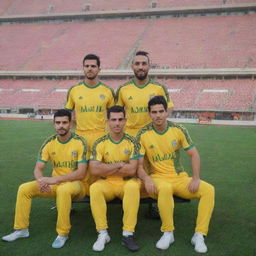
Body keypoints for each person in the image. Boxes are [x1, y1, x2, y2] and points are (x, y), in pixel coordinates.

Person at [137, 96, 215, 253]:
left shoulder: (178, 129)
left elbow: (194, 154)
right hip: (158, 178)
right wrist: (147, 179)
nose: (158, 115)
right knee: (165, 189)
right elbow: (138, 165)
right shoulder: (142, 134)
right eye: (154, 112)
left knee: (208, 190)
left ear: (166, 112)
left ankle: (199, 235)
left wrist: (196, 177)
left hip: (179, 178)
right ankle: (168, 232)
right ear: (149, 114)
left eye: (161, 111)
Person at [2, 109, 89, 249]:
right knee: (24, 189)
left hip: (78, 185)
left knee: (64, 190)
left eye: (64, 122)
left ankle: (63, 233)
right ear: (53, 124)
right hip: (55, 184)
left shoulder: (80, 142)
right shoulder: (49, 143)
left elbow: (81, 173)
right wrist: (41, 180)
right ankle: (21, 229)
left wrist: (55, 180)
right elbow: (38, 168)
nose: (61, 126)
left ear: (71, 124)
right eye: (58, 122)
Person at [89, 105, 141, 252]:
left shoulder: (132, 142)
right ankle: (102, 233)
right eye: (113, 120)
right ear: (107, 122)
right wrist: (119, 164)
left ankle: (128, 234)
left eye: (120, 119)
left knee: (133, 186)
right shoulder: (100, 142)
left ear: (125, 121)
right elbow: (93, 169)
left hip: (126, 182)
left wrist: (105, 167)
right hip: (107, 183)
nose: (117, 123)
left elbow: (132, 169)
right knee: (94, 188)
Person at [115, 50, 174, 137]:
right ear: (132, 66)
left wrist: (159, 125)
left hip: (152, 135)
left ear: (149, 66)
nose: (140, 67)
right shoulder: (123, 89)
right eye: (137, 64)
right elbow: (116, 113)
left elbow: (169, 107)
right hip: (130, 136)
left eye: (144, 64)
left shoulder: (159, 88)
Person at [65, 54, 115, 149]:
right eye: (87, 66)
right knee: (81, 164)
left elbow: (114, 117)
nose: (90, 68)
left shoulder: (107, 91)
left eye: (93, 66)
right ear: (83, 68)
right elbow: (66, 115)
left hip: (101, 137)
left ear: (99, 69)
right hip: (80, 137)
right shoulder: (74, 90)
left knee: (100, 164)